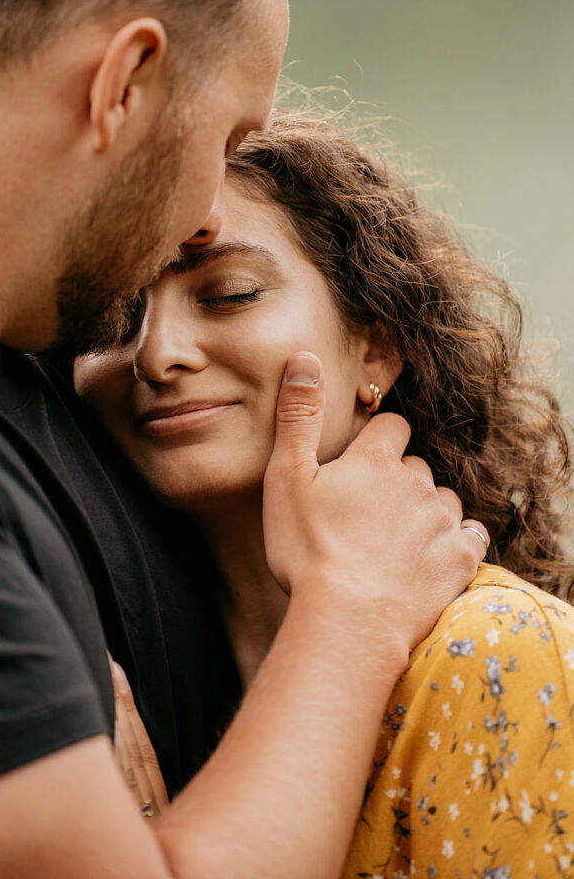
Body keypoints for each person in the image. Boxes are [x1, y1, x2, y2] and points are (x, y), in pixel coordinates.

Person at [0, 0, 487, 878]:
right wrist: (347, 616)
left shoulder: (35, 367)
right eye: (228, 134)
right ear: (122, 82)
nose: (213, 203)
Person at [75, 108, 574, 877]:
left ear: (376, 342)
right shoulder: (96, 678)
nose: (160, 354)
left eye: (230, 294)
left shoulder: (494, 649)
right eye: (116, 314)